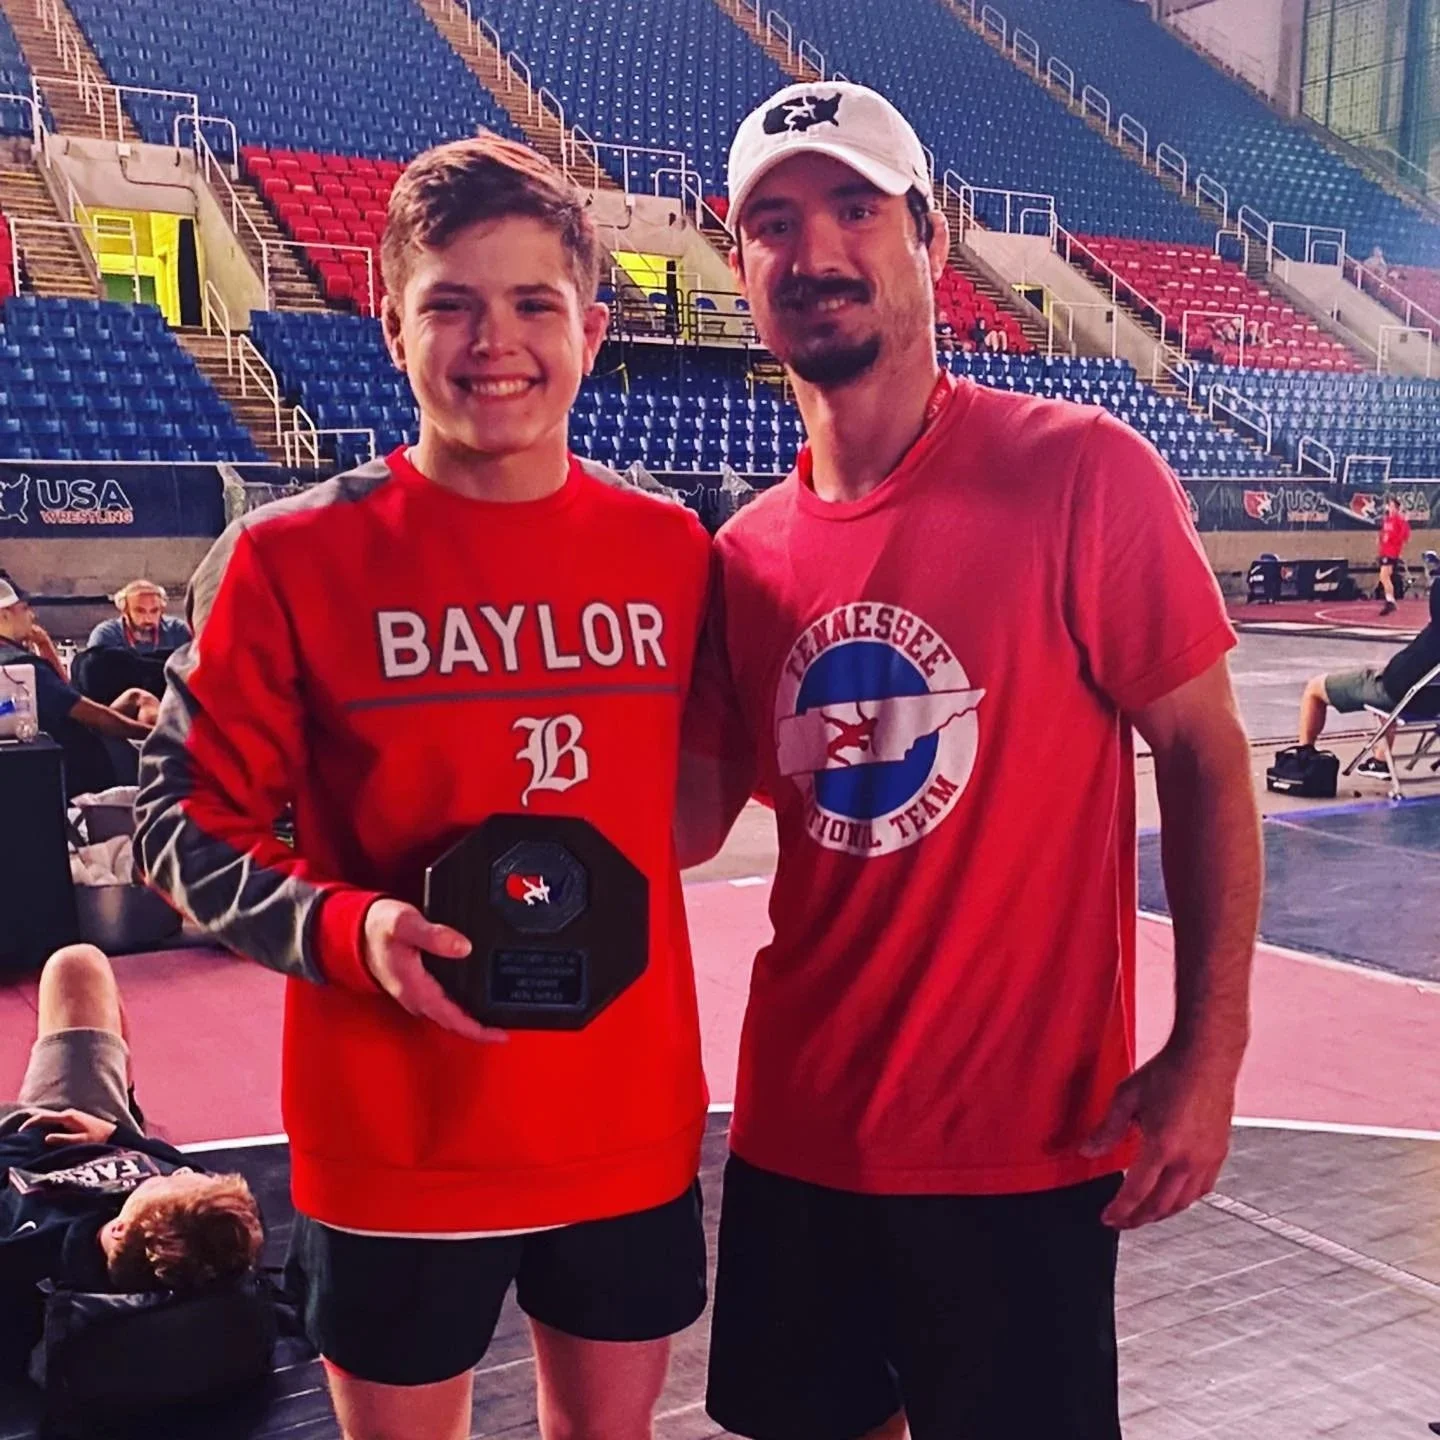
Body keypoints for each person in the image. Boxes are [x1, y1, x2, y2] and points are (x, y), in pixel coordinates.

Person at [681, 81, 1262, 1440]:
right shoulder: (742, 556)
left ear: (929, 241)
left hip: (1024, 1145)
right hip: (799, 1131)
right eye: (773, 222)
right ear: (743, 265)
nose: (814, 251)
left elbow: (1205, 755)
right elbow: (681, 825)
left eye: (853, 209)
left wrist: (1209, 1049)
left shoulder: (1081, 473)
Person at [134, 133, 712, 1440]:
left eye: (532, 303)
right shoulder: (288, 560)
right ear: (390, 326)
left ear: (593, 328)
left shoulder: (673, 551)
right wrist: (353, 928)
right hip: (395, 1143)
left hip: (624, 1124)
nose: (492, 339)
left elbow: (704, 791)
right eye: (450, 302)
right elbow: (172, 826)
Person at [1, 944, 263, 1376]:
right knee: (77, 964)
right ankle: (124, 1093)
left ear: (121, 1228)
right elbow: (183, 1176)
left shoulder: (23, 1256)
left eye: (170, 1179)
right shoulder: (199, 1227)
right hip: (90, 1122)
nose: (180, 1170)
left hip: (14, 1139)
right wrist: (117, 1135)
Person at [0, 578, 156, 797]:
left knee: (134, 697)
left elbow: (66, 693)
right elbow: (97, 718)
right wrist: (156, 735)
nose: (32, 616)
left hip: (46, 761)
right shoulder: (20, 666)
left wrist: (44, 644)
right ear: (4, 615)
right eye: (24, 609)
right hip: (90, 762)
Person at [1297, 575, 1440, 771]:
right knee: (1390, 690)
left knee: (1314, 689)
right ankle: (1381, 761)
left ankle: (1303, 756)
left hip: (1400, 690)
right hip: (1432, 701)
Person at [87, 580, 191, 655]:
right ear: (125, 610)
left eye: (154, 611)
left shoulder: (177, 631)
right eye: (140, 611)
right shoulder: (106, 635)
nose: (148, 618)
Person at [1377, 494, 1411, 616]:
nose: (1388, 507)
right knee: (1384, 577)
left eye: (1391, 505)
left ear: (1395, 507)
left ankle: (1390, 601)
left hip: (1391, 552)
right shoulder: (1387, 520)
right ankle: (1390, 600)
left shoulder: (1399, 520)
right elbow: (1383, 534)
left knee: (1384, 576)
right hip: (1385, 551)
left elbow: (1405, 535)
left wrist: (1393, 541)